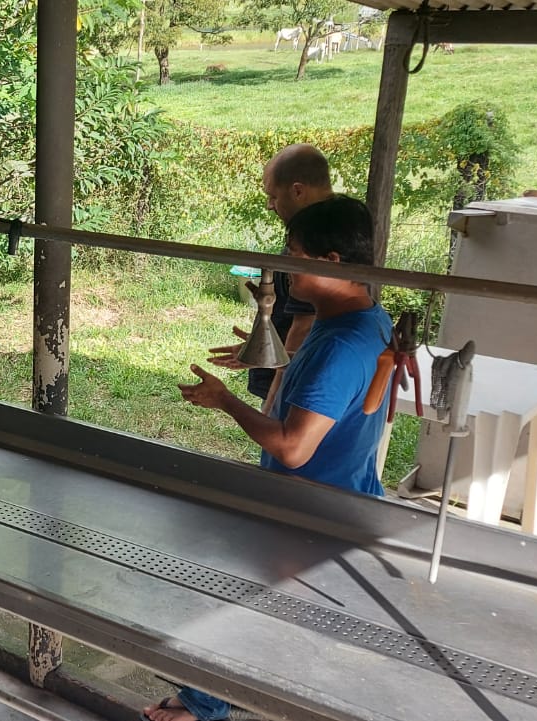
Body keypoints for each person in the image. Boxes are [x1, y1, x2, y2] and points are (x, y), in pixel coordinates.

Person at [161, 196, 390, 721]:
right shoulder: (357, 320)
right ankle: (205, 699)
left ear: (328, 263)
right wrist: (266, 352)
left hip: (313, 509)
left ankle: (204, 707)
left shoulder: (338, 346)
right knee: (256, 606)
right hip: (341, 494)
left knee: (241, 604)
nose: (284, 266)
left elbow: (293, 445)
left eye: (293, 253)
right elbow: (324, 393)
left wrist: (224, 400)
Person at [209, 144, 333, 407]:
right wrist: (261, 351)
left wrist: (273, 402)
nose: (269, 206)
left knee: (287, 443)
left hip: (299, 383)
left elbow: (304, 324)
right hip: (299, 371)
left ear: (298, 190)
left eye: (273, 196)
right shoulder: (325, 230)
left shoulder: (315, 243)